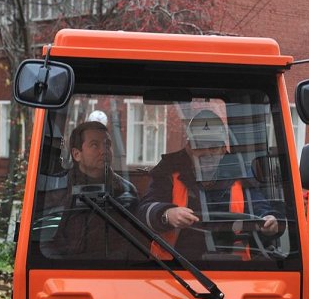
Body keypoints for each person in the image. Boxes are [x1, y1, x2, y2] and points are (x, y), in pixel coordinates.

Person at [138, 109, 283, 260]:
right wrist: (167, 214)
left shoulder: (240, 173)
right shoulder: (167, 172)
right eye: (200, 146)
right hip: (174, 269)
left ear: (222, 150)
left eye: (213, 147)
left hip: (234, 270)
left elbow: (260, 209)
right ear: (189, 148)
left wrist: (270, 221)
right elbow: (143, 211)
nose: (207, 153)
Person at [45, 120, 139, 258]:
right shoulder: (58, 188)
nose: (104, 151)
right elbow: (45, 240)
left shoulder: (126, 190)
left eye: (107, 145)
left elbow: (134, 243)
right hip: (65, 270)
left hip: (114, 269)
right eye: (95, 145)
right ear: (77, 154)